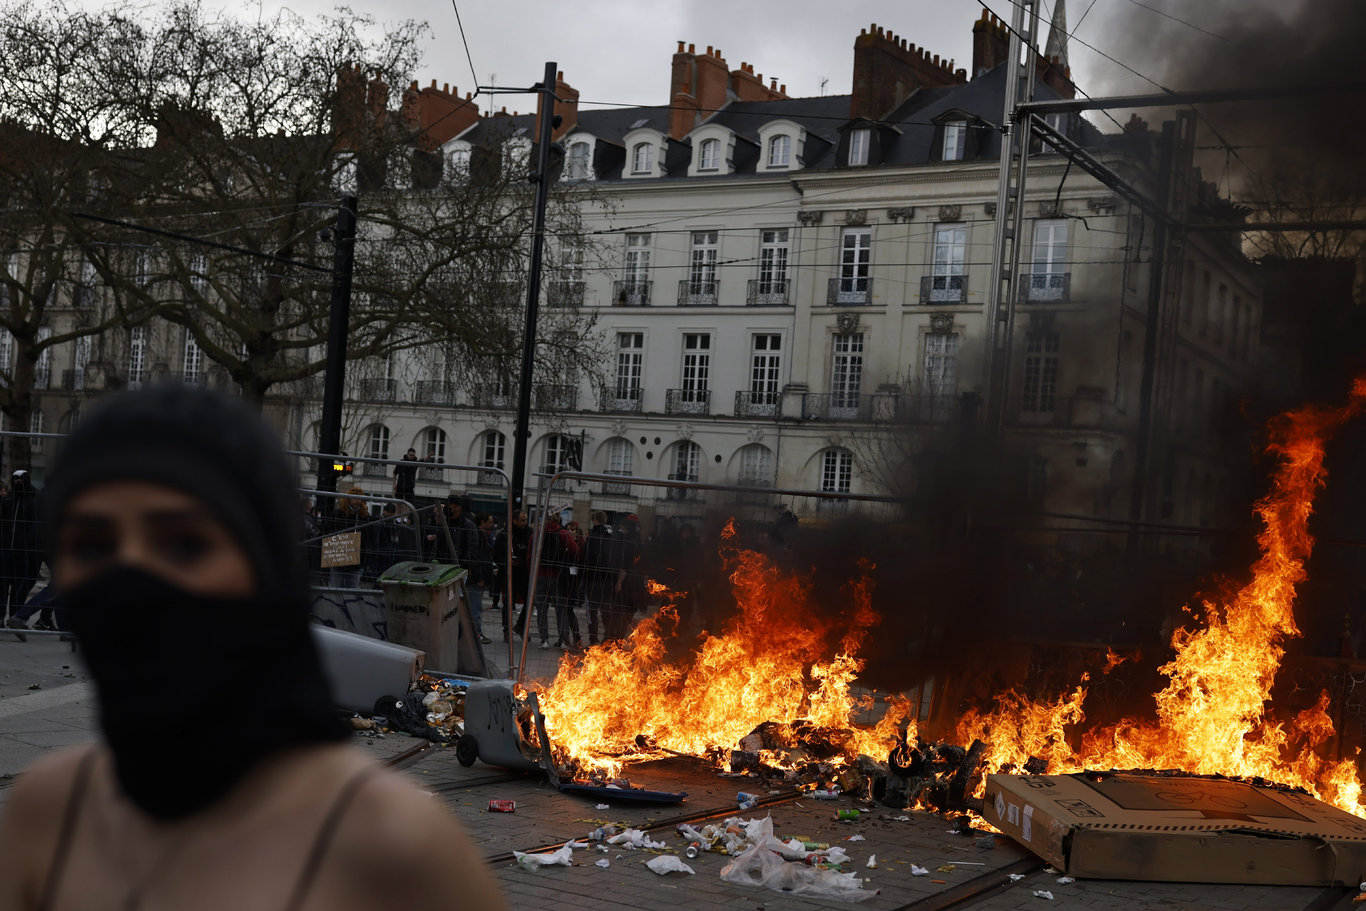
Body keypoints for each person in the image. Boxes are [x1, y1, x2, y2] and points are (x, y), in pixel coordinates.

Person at [0, 383, 506, 911]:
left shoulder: (395, 850)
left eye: (184, 543)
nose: (131, 577)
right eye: (93, 545)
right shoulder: (50, 811)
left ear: (264, 566)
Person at [1, 469, 43, 628]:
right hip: (5, 551)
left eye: (20, 480)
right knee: (3, 586)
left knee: (18, 587)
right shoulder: (6, 501)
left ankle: (14, 616)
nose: (17, 483)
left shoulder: (32, 502)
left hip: (22, 553)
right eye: (15, 479)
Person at [500, 510, 532, 641]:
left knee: (530, 601)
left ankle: (520, 625)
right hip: (510, 574)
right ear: (514, 521)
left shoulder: (529, 533)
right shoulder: (505, 535)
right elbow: (497, 554)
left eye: (525, 520)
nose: (525, 523)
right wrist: (508, 561)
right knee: (508, 602)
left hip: (525, 574)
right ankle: (507, 629)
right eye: (522, 520)